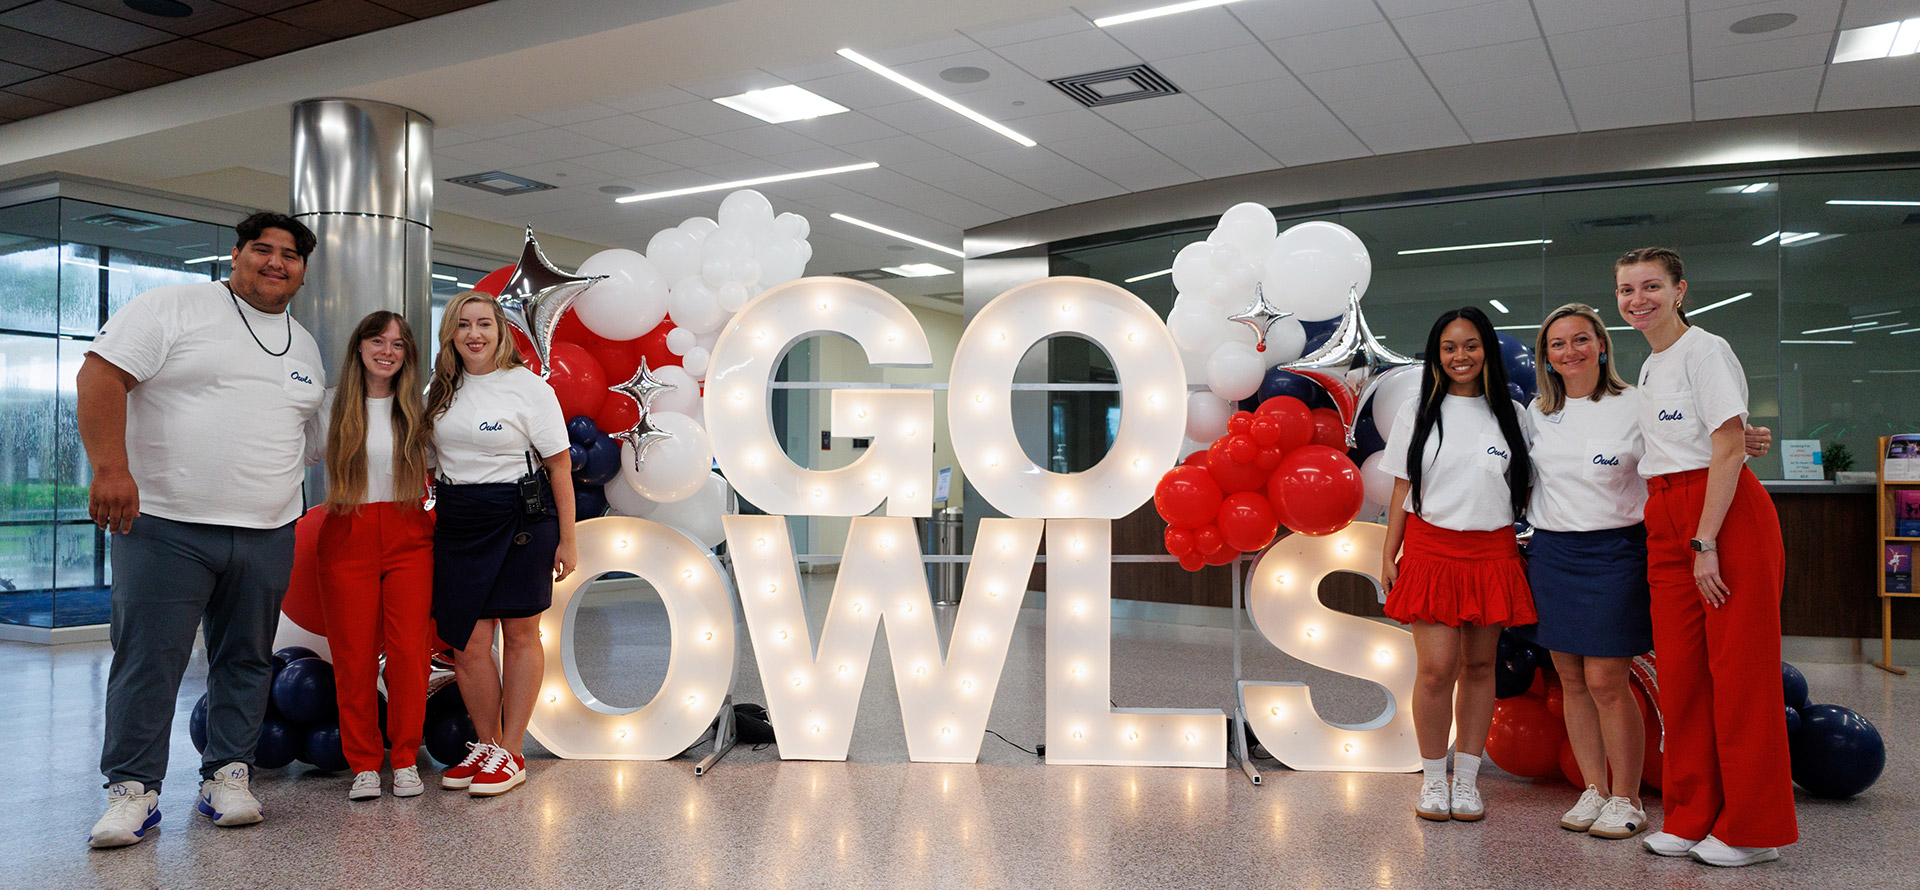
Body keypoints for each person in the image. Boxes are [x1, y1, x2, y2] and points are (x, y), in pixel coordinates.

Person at [81, 212, 326, 847]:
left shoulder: (303, 343)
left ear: (303, 269)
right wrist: (111, 467)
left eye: (290, 255)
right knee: (149, 659)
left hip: (269, 528)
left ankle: (227, 776)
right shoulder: (173, 307)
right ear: (237, 255)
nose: (276, 262)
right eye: (262, 250)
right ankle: (131, 791)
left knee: (246, 660)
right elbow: (100, 375)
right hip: (165, 523)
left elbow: (306, 437)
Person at [1522, 303, 1775, 842]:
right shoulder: (1535, 413)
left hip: (1615, 554)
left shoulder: (1635, 403)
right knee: (1569, 678)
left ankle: (1627, 798)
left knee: (1607, 680)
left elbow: (1684, 444)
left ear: (1602, 345)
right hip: (1553, 555)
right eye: (1558, 343)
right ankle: (1593, 789)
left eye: (1581, 339)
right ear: (1546, 356)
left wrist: (1742, 439)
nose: (1570, 351)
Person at [1615, 247, 1796, 867]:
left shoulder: (1706, 349)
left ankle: (1754, 829)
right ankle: (1692, 816)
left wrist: (1706, 541)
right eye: (1626, 290)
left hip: (1721, 519)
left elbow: (1725, 451)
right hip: (1665, 514)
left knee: (1741, 677)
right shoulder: (1650, 364)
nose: (1637, 300)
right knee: (1683, 679)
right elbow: (1700, 437)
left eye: (1651, 287)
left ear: (1680, 290)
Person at [1378, 306, 1534, 823]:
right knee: (1436, 668)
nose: (1460, 356)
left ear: (1486, 350)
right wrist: (1389, 555)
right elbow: (1402, 487)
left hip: (1491, 551)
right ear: (1437, 355)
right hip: (1429, 549)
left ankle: (1466, 781)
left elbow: (1537, 481)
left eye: (1470, 345)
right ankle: (1432, 780)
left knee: (1479, 666)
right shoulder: (1418, 411)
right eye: (1449, 347)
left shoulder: (1513, 414)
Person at [425, 291, 576, 797]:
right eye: (464, 324)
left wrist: (568, 541)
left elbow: (559, 465)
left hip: (520, 522)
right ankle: (487, 745)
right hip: (458, 520)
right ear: (451, 332)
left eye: (484, 324)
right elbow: (427, 464)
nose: (474, 334)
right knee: (466, 643)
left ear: (500, 331)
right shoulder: (437, 391)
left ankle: (512, 752)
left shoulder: (527, 388)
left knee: (520, 634)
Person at [317, 311, 435, 801]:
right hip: (348, 529)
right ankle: (364, 763)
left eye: (399, 344)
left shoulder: (421, 411)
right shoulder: (328, 407)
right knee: (353, 655)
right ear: (359, 346)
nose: (387, 351)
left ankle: (405, 757)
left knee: (410, 653)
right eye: (377, 340)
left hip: (409, 530)